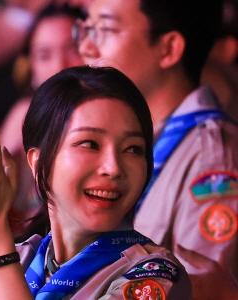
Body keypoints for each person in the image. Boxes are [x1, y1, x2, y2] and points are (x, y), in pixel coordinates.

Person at [0, 66, 191, 299]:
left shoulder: (152, 275)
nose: (113, 168)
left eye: (133, 149)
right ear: (37, 162)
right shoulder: (18, 260)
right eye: (90, 144)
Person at [77, 0, 238, 298]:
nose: (86, 47)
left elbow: (206, 288)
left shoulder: (213, 156)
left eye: (106, 29)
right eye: (86, 28)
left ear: (169, 49)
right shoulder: (129, 142)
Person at [0, 3, 85, 236]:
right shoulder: (23, 116)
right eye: (44, 55)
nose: (60, 66)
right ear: (30, 68)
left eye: (73, 48)